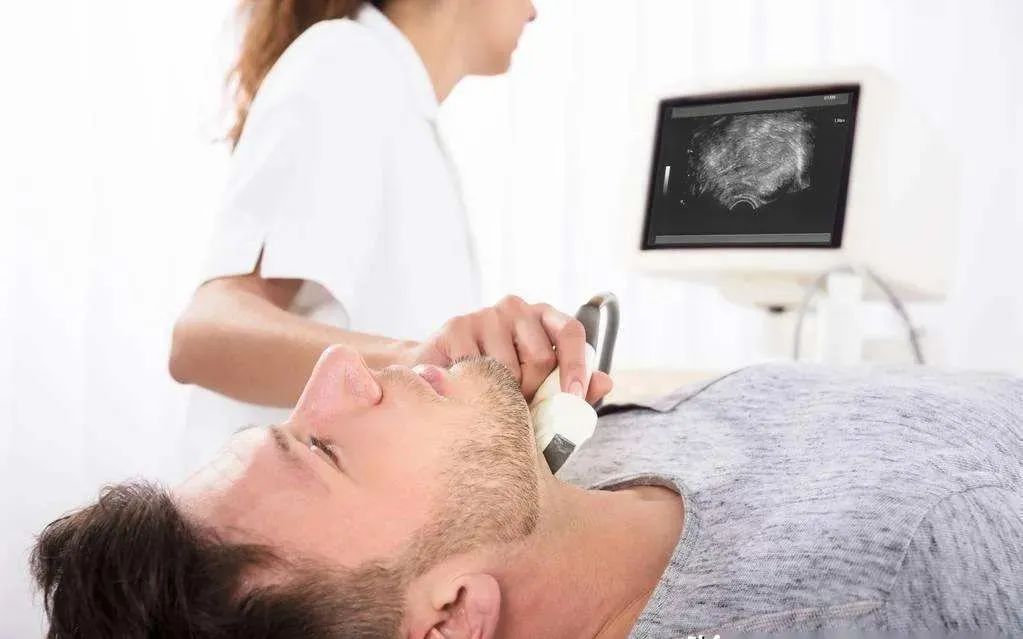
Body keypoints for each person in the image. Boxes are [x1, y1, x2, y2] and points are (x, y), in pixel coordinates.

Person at [32, 347, 1022, 637]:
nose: (338, 368)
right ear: (452, 616)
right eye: (323, 449)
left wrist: (507, 403)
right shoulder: (917, 566)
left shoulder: (561, 472)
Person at [169, 0, 595, 462]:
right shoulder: (344, 65)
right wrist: (419, 361)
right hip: (266, 503)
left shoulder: (400, 106)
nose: (534, 10)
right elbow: (202, 335)